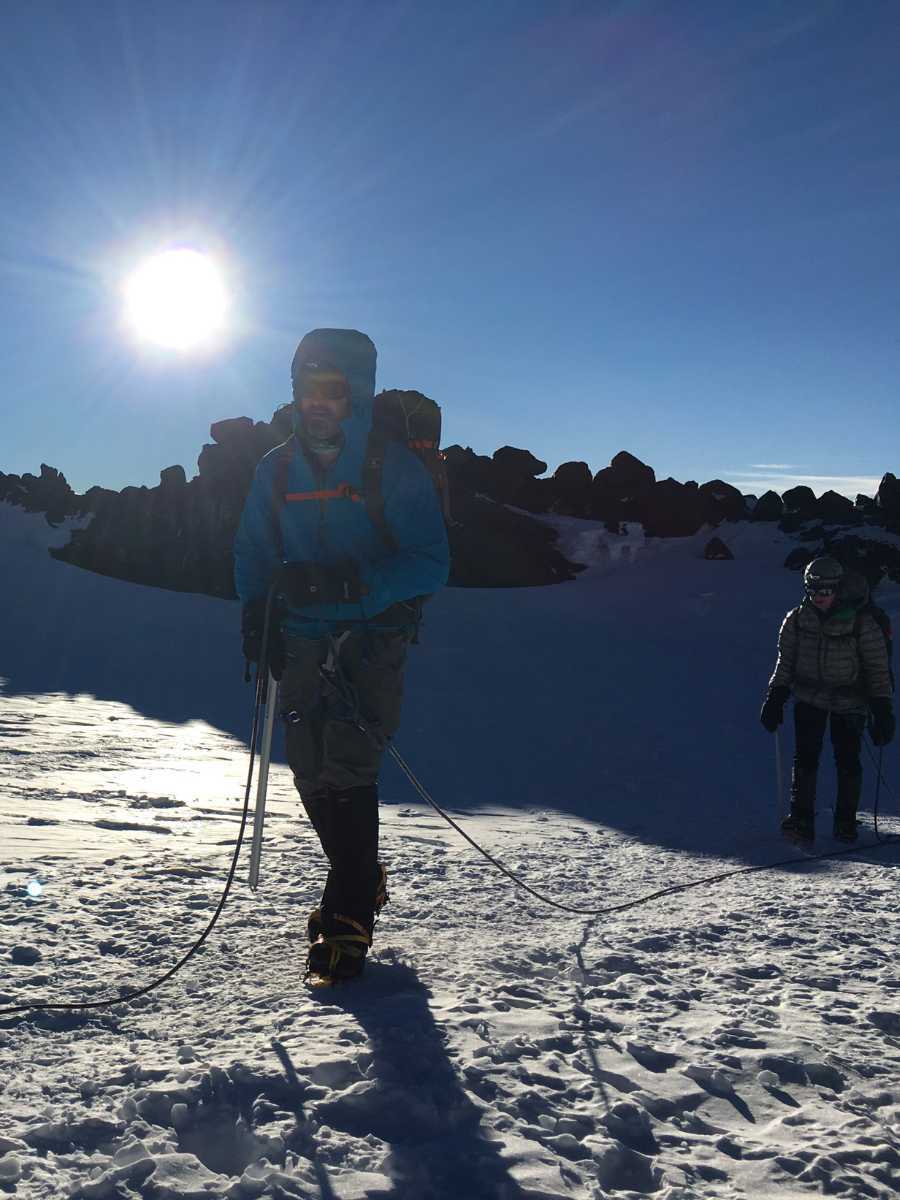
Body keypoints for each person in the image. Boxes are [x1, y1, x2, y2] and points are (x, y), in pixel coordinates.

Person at [233, 329, 450, 981]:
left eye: (332, 389)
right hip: (299, 636)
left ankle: (348, 914)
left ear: (354, 395)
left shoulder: (393, 467)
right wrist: (256, 613)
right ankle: (360, 872)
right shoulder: (275, 468)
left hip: (372, 637)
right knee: (308, 767)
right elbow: (252, 551)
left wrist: (360, 585)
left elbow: (432, 562)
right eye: (307, 389)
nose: (318, 403)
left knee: (349, 767)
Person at [760, 556, 894, 842]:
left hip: (850, 702)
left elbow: (877, 669)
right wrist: (775, 696)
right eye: (813, 592)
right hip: (809, 698)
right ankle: (801, 821)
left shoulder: (862, 623)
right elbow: (785, 663)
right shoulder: (796, 620)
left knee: (847, 760)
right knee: (806, 759)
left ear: (837, 589)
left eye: (826, 592)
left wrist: (882, 709)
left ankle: (845, 823)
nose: (819, 598)